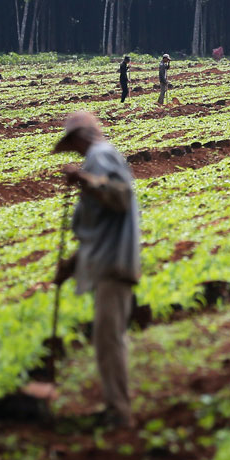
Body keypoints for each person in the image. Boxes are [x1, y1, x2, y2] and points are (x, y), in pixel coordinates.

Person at [52, 112, 141, 428]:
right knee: (109, 338)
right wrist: (71, 266)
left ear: (81, 137)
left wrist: (84, 179)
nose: (74, 151)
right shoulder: (99, 157)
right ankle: (115, 406)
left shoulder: (100, 156)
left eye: (73, 143)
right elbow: (100, 225)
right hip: (108, 259)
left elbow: (121, 197)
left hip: (114, 263)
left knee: (109, 339)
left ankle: (118, 411)